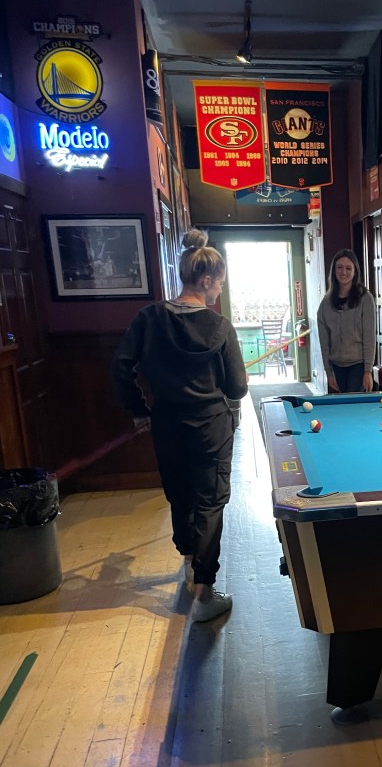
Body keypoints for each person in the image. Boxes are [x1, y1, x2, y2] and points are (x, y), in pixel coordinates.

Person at [111, 229, 247, 622]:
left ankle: (190, 562)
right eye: (219, 283)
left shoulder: (149, 318)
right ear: (205, 280)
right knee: (210, 501)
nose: (219, 290)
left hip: (166, 423)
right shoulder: (219, 327)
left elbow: (120, 366)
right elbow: (236, 386)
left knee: (180, 495)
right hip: (210, 427)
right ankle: (204, 593)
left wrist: (137, 408)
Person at [316, 249, 376, 393]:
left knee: (355, 407)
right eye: (340, 267)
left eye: (348, 268)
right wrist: (328, 372)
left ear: (355, 272)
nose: (344, 272)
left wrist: (368, 371)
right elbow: (324, 343)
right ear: (334, 271)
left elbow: (369, 338)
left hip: (358, 365)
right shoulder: (326, 303)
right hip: (336, 366)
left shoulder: (365, 299)